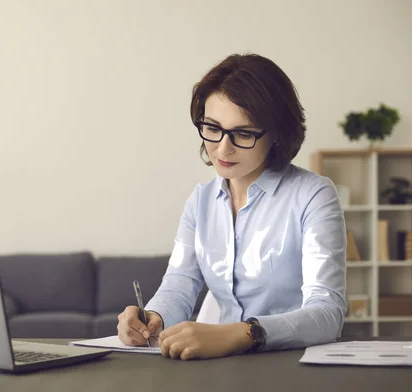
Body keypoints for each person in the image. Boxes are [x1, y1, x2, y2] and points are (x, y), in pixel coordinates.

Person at [116, 53, 347, 360]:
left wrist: (244, 333)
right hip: (220, 366)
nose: (223, 148)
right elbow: (179, 284)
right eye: (212, 128)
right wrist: (153, 317)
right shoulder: (201, 200)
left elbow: (328, 313)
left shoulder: (313, 195)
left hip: (292, 364)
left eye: (243, 133)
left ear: (276, 134)